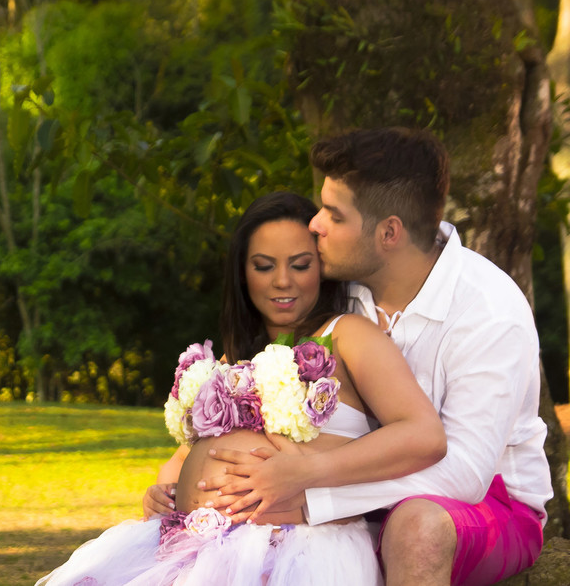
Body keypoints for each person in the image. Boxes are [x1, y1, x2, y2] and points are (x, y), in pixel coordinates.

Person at [196, 128, 553, 586]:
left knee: (415, 526)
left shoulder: (488, 309)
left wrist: (313, 492)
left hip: (489, 503)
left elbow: (465, 472)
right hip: (356, 486)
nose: (315, 225)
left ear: (389, 232)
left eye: (334, 214)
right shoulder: (342, 289)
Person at [37, 191, 446, 586]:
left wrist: (307, 471)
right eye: (264, 266)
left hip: (300, 550)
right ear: (242, 272)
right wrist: (162, 492)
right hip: (199, 541)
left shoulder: (349, 335)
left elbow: (421, 434)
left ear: (321, 267)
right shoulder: (236, 359)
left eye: (300, 265)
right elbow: (185, 459)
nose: (282, 281)